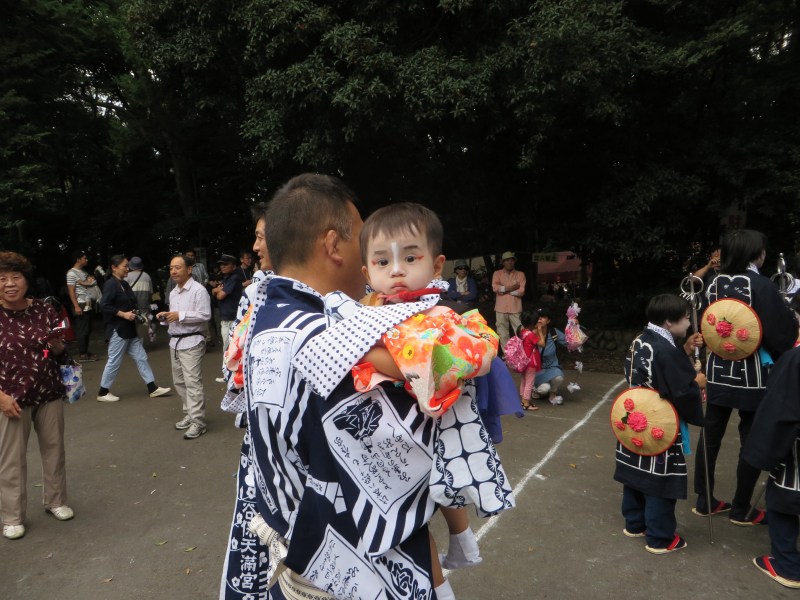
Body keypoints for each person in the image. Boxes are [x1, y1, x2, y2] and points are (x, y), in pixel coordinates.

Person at [221, 174, 512, 600]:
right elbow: (396, 479)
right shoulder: (328, 339)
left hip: (291, 550)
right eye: (366, 238)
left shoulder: (264, 319)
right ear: (335, 245)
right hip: (348, 568)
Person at [693, 229, 798, 523]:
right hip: (754, 376)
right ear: (756, 253)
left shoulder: (713, 285)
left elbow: (706, 325)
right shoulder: (762, 286)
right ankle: (741, 508)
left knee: (710, 436)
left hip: (717, 370)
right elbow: (782, 335)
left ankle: (704, 499)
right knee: (749, 438)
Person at [615, 294, 705, 554]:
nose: (689, 323)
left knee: (635, 471)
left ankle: (634, 523)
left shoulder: (641, 340)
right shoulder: (666, 350)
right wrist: (696, 383)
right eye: (686, 318)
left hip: (634, 419)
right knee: (659, 479)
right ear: (669, 322)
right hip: (660, 424)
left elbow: (661, 370)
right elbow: (681, 391)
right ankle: (660, 537)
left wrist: (685, 350)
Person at [0, 251, 74, 540]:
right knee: (11, 459)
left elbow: (48, 351)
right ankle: (12, 516)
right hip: (11, 399)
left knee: (54, 451)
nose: (9, 283)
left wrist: (54, 347)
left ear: (26, 281)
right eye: (3, 278)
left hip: (48, 392)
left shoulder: (44, 309)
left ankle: (56, 501)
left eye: (16, 277)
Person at [743, 344, 800, 588]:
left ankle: (788, 566)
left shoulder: (795, 359)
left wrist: (763, 453)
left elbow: (779, 409)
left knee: (784, 497)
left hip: (796, 449)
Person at [96, 255, 171, 403]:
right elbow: (104, 305)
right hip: (119, 329)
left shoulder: (123, 283)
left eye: (127, 266)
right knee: (114, 360)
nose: (127, 268)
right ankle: (103, 392)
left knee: (141, 357)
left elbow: (129, 303)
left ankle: (152, 388)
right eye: (124, 266)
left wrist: (134, 313)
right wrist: (123, 314)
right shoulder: (111, 284)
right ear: (114, 267)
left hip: (129, 329)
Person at [157, 254, 211, 440]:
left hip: (192, 341)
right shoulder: (173, 292)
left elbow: (205, 315)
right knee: (179, 382)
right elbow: (175, 317)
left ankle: (199, 422)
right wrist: (166, 317)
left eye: (178, 267)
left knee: (192, 382)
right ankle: (189, 413)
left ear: (189, 269)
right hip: (175, 342)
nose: (173, 271)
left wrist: (180, 315)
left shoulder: (198, 290)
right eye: (171, 267)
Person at [65, 250, 99, 362]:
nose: (86, 260)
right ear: (78, 259)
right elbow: (71, 290)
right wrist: (76, 306)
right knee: (82, 329)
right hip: (80, 303)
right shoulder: (71, 273)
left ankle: (85, 352)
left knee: (87, 329)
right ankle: (82, 354)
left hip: (87, 302)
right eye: (84, 258)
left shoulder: (83, 272)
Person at [533, 307, 569, 406]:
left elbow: (569, 342)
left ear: (548, 320)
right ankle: (535, 389)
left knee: (558, 378)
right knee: (544, 389)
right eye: (538, 317)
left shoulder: (554, 332)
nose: (539, 319)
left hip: (552, 367)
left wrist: (574, 325)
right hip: (536, 370)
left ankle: (553, 394)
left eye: (543, 317)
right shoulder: (530, 334)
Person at [492, 251, 525, 349]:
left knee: (520, 331)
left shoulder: (520, 274)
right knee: (502, 333)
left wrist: (504, 289)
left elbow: (521, 291)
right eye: (507, 260)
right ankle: (508, 356)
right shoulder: (497, 274)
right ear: (503, 262)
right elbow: (495, 288)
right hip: (500, 308)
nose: (510, 262)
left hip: (515, 308)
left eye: (512, 260)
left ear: (514, 262)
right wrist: (513, 287)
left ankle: (523, 353)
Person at [211, 253, 243, 355]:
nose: (223, 266)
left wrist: (216, 291)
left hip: (232, 318)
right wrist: (216, 290)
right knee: (228, 347)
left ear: (234, 266)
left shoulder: (234, 278)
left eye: (226, 264)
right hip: (226, 317)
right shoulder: (226, 279)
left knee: (229, 348)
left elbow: (220, 296)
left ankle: (228, 369)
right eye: (221, 264)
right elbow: (214, 291)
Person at [515, 311, 543, 411]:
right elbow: (542, 343)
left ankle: (522, 400)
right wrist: (540, 330)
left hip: (523, 361)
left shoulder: (522, 332)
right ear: (532, 323)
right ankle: (526, 402)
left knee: (524, 380)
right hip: (531, 362)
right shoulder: (531, 335)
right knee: (529, 383)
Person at [124, 256, 155, 343]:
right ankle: (139, 344)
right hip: (144, 305)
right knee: (142, 325)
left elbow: (124, 292)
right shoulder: (147, 276)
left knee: (131, 324)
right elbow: (150, 293)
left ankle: (132, 345)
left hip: (131, 306)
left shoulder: (127, 276)